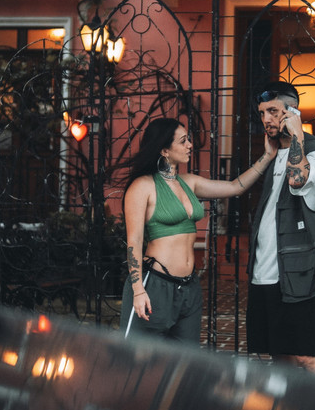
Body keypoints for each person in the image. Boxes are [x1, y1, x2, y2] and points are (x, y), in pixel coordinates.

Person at [119, 117, 277, 343]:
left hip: (188, 287)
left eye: (188, 140)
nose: (190, 145)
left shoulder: (189, 182)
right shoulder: (142, 186)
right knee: (138, 358)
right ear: (164, 150)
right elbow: (134, 241)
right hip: (154, 285)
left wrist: (267, 156)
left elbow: (235, 187)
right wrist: (138, 290)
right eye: (183, 141)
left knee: (185, 359)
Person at [246, 81, 315, 374]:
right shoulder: (273, 155)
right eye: (262, 113)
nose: (266, 119)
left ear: (292, 111)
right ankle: (287, 403)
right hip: (264, 272)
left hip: (296, 275)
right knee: (279, 354)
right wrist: (269, 156)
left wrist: (297, 133)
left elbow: (298, 180)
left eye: (273, 111)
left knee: (308, 357)